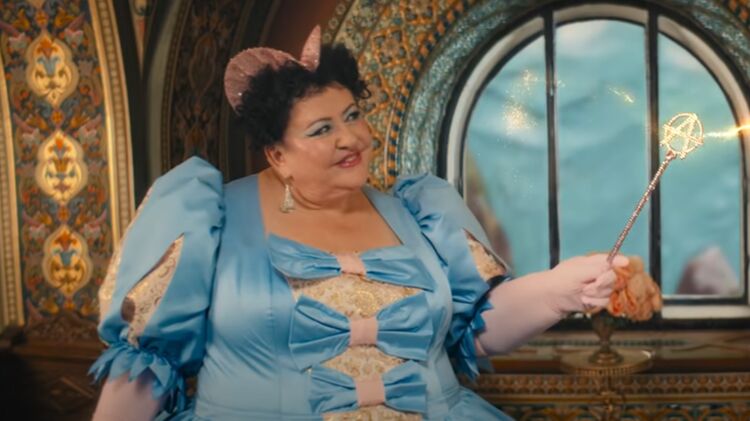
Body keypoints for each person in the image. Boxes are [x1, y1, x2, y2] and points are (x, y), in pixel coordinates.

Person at [90, 26, 627, 420]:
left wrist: (561, 289)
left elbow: (478, 329)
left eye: (352, 116)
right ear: (277, 154)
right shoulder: (207, 215)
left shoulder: (421, 210)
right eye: (321, 129)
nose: (350, 138)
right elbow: (143, 365)